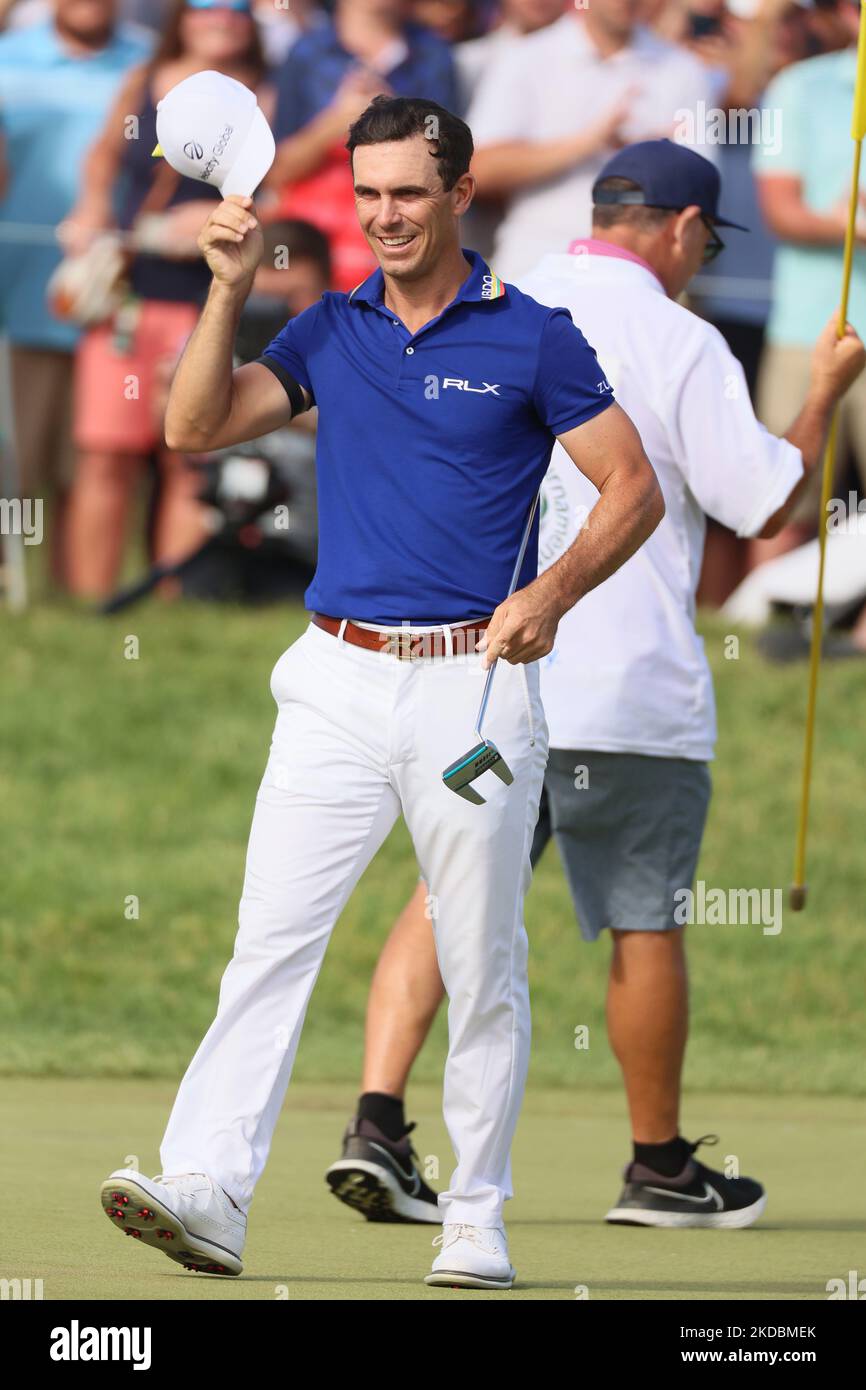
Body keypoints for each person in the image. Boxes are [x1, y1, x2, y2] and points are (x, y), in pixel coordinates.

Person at [99, 94, 663, 1291]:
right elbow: (194, 427)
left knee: (481, 956)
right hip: (334, 679)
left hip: (475, 689)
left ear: (461, 193)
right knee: (265, 947)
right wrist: (226, 286)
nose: (385, 215)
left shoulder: (533, 335)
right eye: (366, 195)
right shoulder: (329, 326)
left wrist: (551, 594)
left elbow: (631, 491)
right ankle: (208, 1188)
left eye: (408, 192)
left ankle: (474, 1212)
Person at [323, 139, 865, 1231]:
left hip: (477, 671)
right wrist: (819, 396)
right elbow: (762, 505)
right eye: (705, 240)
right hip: (629, 690)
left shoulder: (497, 304)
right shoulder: (680, 335)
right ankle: (657, 1167)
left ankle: (376, 1121)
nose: (701, 257)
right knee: (642, 919)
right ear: (674, 229)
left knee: (442, 893)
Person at [61, 0, 268, 598]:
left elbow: (284, 185)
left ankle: (172, 600)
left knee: (190, 451)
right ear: (183, 15)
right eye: (204, 4)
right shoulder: (144, 79)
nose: (219, 16)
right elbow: (103, 159)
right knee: (104, 451)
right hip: (130, 295)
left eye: (235, 7)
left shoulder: (261, 95)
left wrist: (225, 211)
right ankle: (93, 604)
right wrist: (91, 207)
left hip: (207, 299)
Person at [0, 0, 151, 582]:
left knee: (86, 466)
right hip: (18, 300)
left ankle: (72, 601)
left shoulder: (146, 62)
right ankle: (15, 594)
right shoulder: (8, 60)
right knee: (16, 467)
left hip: (117, 307)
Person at [751, 0, 866, 647]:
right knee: (783, 499)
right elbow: (782, 210)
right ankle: (762, 637)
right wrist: (853, 225)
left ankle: (855, 649)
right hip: (806, 326)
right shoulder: (795, 87)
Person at [465, 0, 715, 280]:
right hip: (535, 264)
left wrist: (647, 157)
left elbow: (702, 187)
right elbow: (479, 168)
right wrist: (588, 143)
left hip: (639, 274)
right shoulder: (525, 57)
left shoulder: (684, 70)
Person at [266, 0, 457, 291]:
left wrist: (391, 119)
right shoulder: (306, 53)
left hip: (398, 240)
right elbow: (278, 172)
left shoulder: (434, 54)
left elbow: (448, 164)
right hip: (310, 256)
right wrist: (336, 122)